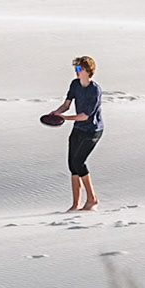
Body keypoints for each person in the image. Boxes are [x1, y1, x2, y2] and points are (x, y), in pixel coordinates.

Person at [51, 55, 104, 211]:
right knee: (72, 165)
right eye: (76, 68)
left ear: (88, 70)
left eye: (79, 68)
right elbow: (66, 105)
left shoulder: (95, 90)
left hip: (93, 130)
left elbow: (85, 116)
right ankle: (75, 204)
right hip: (78, 128)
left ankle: (92, 199)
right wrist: (56, 113)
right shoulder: (75, 84)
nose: (76, 71)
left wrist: (65, 118)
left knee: (79, 162)